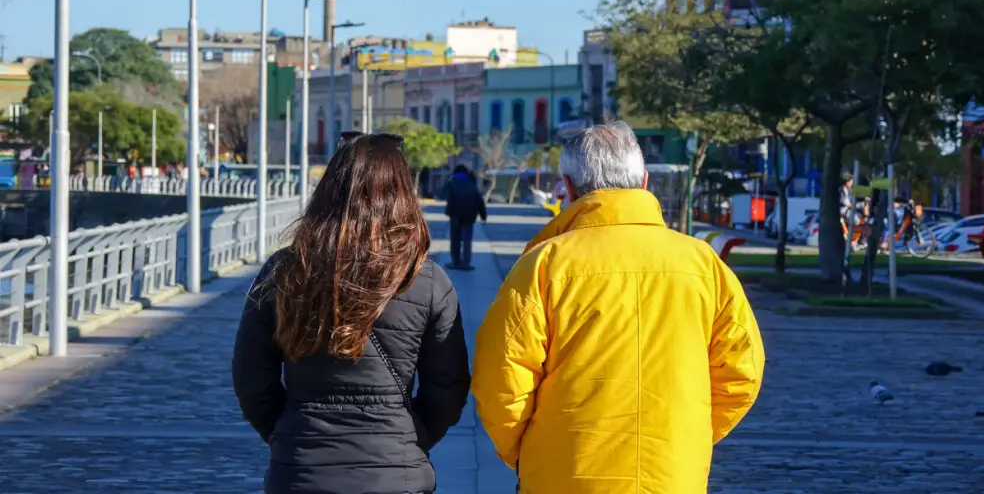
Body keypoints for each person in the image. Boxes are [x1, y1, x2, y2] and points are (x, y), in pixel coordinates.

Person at [471, 121, 765, 493]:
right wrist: (686, 436)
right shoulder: (704, 265)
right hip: (673, 473)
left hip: (564, 474)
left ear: (568, 187)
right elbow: (742, 372)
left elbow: (502, 379)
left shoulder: (543, 265)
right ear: (644, 182)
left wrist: (527, 452)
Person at [232, 132, 471, 494]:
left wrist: (287, 434)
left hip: (300, 470)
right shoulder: (427, 281)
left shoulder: (284, 271)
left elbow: (251, 379)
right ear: (402, 195)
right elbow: (447, 388)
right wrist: (410, 440)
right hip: (396, 476)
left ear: (328, 191)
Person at [444, 164, 487, 270]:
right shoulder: (471, 183)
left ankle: (455, 262)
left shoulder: (451, 182)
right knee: (467, 240)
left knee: (455, 240)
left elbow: (444, 195)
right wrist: (483, 216)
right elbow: (479, 201)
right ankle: (465, 263)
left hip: (455, 215)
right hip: (469, 216)